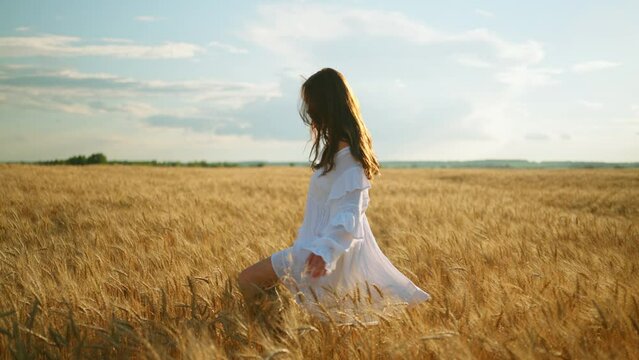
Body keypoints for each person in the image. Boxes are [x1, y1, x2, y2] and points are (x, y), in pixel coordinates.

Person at [238, 68, 430, 325]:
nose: (307, 113)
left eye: (310, 104)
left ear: (324, 106)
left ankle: (273, 338)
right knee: (313, 315)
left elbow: (350, 211)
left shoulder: (349, 157)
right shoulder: (340, 152)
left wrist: (325, 251)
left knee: (248, 280)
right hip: (317, 247)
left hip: (318, 251)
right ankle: (279, 337)